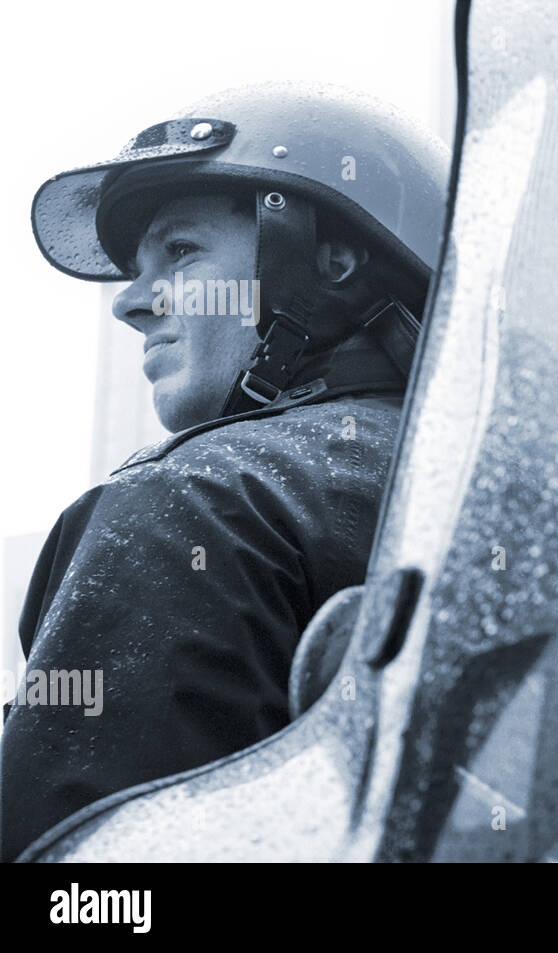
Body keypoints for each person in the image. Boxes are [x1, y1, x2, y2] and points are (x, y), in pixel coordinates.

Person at [0, 82, 450, 862]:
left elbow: (80, 892)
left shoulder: (197, 501)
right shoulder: (505, 487)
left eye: (180, 251)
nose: (130, 304)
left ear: (328, 260)